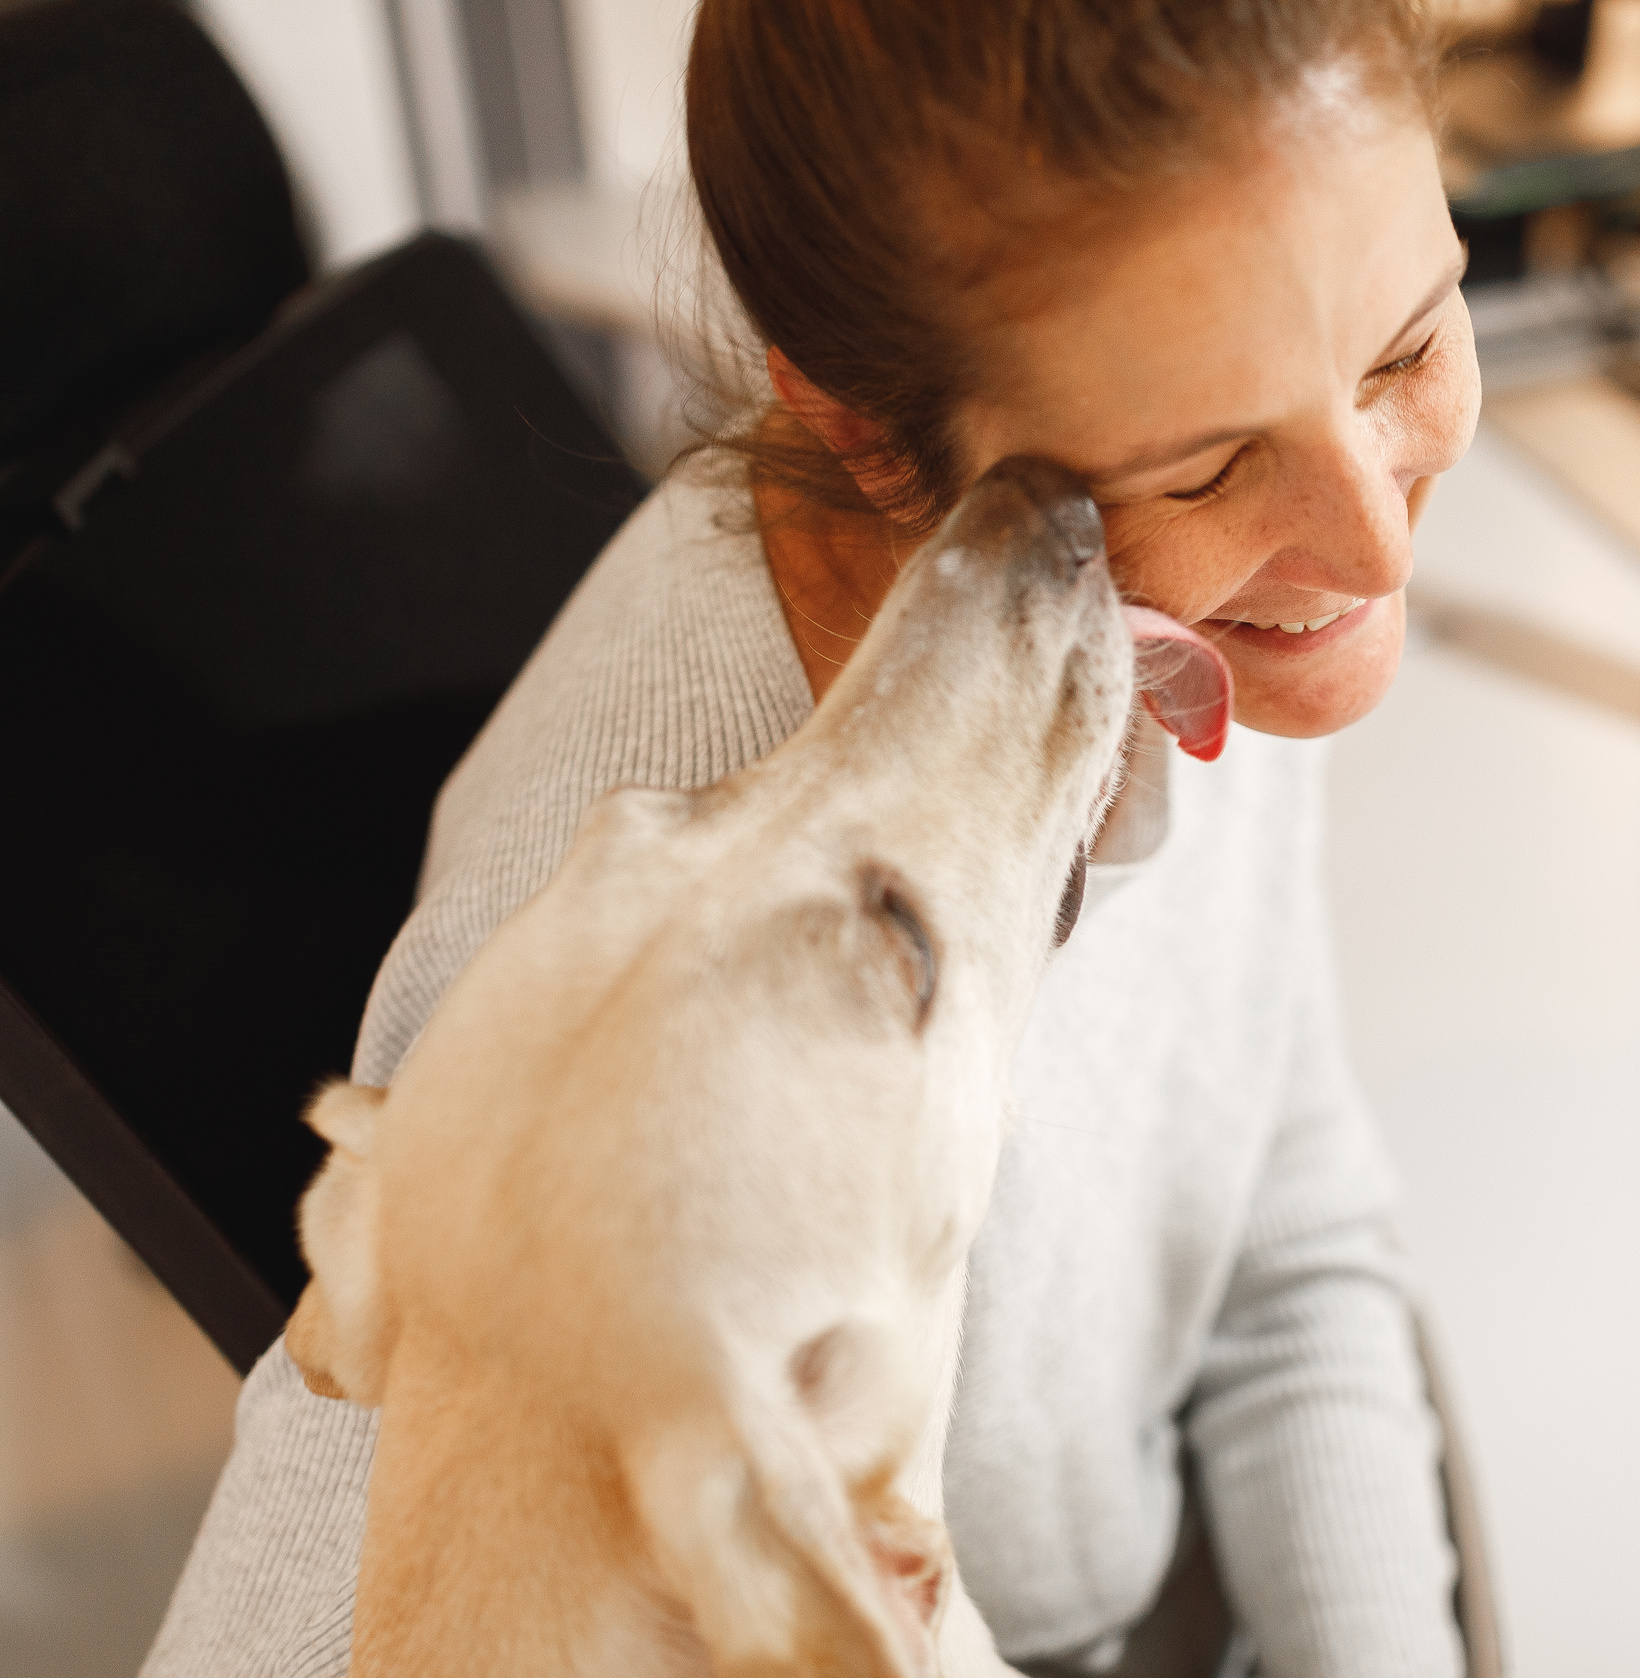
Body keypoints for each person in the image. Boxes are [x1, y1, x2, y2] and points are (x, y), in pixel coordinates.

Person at [142, 2, 1481, 1675]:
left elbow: (1290, 1246)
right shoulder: (601, 985)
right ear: (867, 427)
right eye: (1208, 467)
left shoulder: (1196, 584)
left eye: (1409, 347)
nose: (1370, 541)